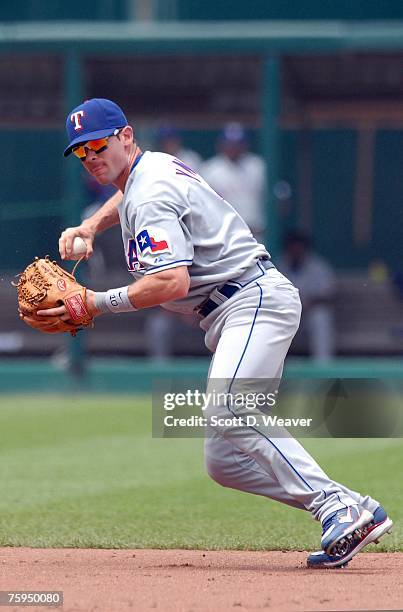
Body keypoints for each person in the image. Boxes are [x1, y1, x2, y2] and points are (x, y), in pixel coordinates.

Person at [40, 98, 392, 569]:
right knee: (224, 462)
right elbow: (125, 195)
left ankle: (336, 507)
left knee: (230, 407)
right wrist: (90, 224)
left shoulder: (152, 192)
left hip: (251, 299)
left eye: (98, 145)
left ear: (126, 136)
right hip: (235, 307)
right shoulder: (152, 167)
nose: (91, 157)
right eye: (81, 153)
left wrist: (96, 303)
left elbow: (171, 283)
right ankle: (358, 509)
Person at [200, 123, 266, 242]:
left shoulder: (257, 166)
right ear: (221, 145)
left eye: (237, 144)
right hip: (225, 236)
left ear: (245, 145)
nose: (233, 148)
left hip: (257, 234)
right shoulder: (210, 170)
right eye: (229, 144)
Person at [278, 232, 336, 361]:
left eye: (299, 248)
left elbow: (328, 295)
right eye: (293, 248)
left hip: (309, 317)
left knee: (320, 317)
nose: (296, 251)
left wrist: (308, 304)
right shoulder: (279, 266)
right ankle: (274, 369)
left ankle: (323, 369)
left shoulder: (319, 266)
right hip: (288, 316)